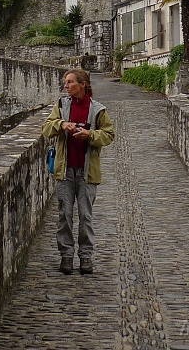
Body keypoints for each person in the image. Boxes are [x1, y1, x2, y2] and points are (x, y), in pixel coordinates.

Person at [42, 68, 114, 275]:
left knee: (85, 215)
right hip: (64, 170)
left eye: (71, 82)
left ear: (83, 84)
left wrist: (90, 135)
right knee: (64, 214)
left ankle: (85, 257)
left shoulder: (98, 110)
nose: (66, 85)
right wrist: (61, 124)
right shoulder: (62, 105)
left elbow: (109, 135)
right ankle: (66, 256)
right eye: (66, 82)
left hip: (87, 172)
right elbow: (46, 128)